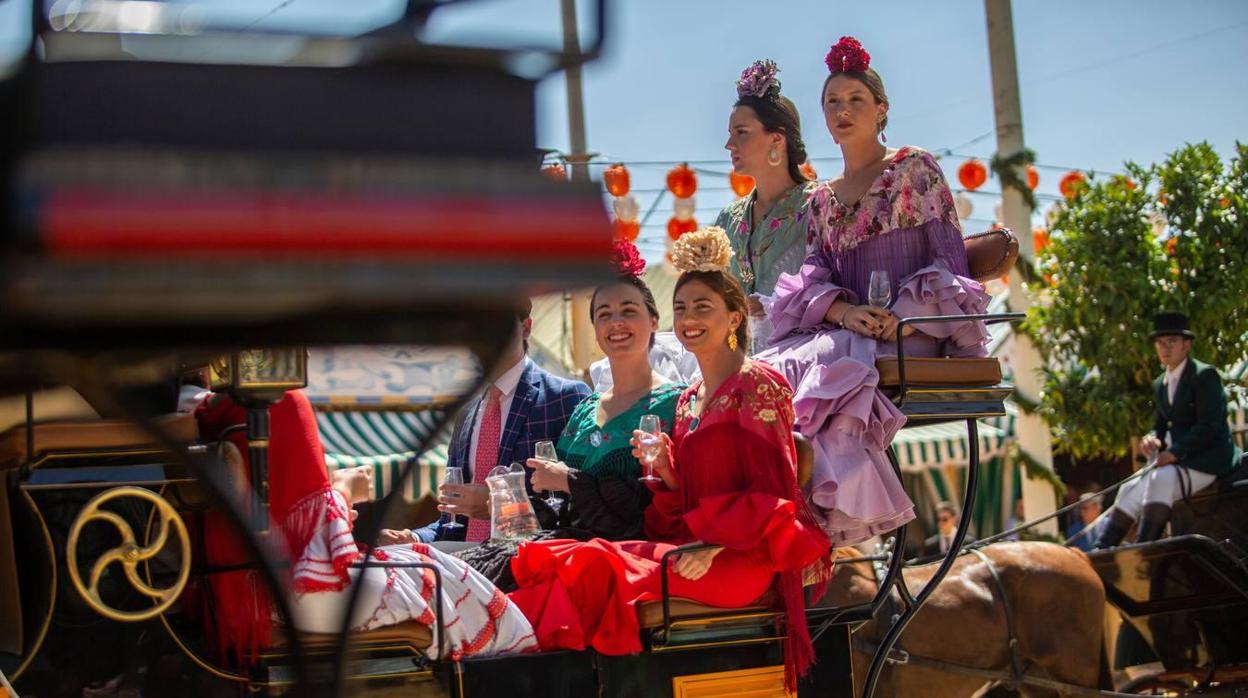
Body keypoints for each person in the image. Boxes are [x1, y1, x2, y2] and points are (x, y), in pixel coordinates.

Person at [506, 227, 831, 692]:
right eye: (681, 308)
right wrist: (665, 473)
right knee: (569, 557)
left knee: (596, 565)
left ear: (735, 317)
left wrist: (716, 546)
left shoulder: (757, 384)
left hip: (740, 557)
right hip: (690, 547)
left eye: (703, 307)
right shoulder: (688, 400)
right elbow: (683, 500)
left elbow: (775, 491)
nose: (689, 318)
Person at [755, 36, 991, 545]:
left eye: (855, 100)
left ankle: (843, 505)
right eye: (832, 102)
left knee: (831, 363)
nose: (843, 110)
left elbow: (947, 258)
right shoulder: (819, 199)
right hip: (851, 329)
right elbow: (817, 270)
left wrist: (900, 315)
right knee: (769, 365)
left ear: (881, 109)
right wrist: (844, 312)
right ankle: (786, 505)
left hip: (916, 324)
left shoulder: (913, 168)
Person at [193, 389, 537, 664]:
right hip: (297, 594)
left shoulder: (212, 411)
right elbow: (318, 547)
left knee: (430, 561)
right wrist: (345, 490)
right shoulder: (280, 401)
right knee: (438, 574)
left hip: (255, 591)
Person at [453, 241, 684, 588]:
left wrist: (569, 481)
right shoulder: (585, 410)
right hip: (566, 550)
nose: (616, 322)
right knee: (458, 571)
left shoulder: (675, 405)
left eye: (628, 310)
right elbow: (554, 505)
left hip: (623, 560)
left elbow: (647, 512)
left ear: (653, 320)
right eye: (604, 313)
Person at [380, 299, 590, 544]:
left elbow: (577, 504)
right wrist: (413, 537)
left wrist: (497, 503)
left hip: (528, 567)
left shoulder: (565, 396)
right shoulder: (466, 410)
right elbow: (454, 520)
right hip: (465, 568)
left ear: (526, 328)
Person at [1093, 312, 1242, 547]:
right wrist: (1153, 439)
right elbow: (1160, 426)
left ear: (1187, 344)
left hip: (1210, 459)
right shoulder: (1160, 383)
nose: (1165, 348)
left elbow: (1210, 426)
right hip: (1178, 461)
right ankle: (1102, 548)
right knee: (1129, 487)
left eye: (1171, 341)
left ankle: (1144, 548)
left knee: (1162, 479)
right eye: (1160, 343)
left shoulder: (1205, 375)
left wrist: (1175, 452)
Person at [717, 59, 817, 353]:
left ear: (776, 139)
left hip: (800, 357)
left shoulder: (820, 205)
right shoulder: (727, 219)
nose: (728, 145)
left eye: (741, 132)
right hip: (734, 359)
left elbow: (836, 289)